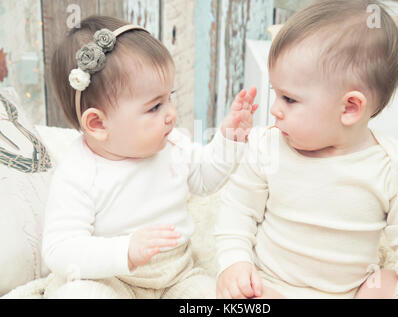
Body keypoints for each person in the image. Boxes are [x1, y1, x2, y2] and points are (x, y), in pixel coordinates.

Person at [214, 0, 398, 299]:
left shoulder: (391, 165)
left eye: (289, 99)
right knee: (232, 294)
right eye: (276, 94)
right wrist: (234, 263)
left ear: (349, 108)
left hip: (351, 291)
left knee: (389, 282)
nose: (274, 110)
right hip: (271, 286)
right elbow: (237, 209)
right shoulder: (267, 146)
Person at [42, 15, 257, 299]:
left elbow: (206, 180)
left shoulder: (172, 145)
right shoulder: (79, 173)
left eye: (170, 97)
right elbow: (60, 249)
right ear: (98, 124)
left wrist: (229, 140)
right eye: (155, 106)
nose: (170, 113)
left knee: (210, 295)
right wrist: (125, 251)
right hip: (112, 277)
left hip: (176, 274)